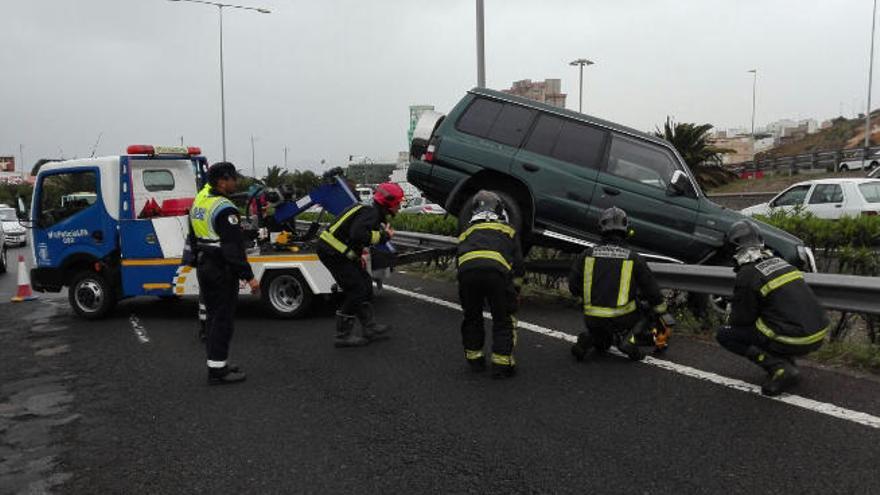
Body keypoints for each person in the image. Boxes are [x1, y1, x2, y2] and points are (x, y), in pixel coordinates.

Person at [716, 220, 829, 396]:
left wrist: (735, 305)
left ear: (733, 247)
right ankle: (786, 360)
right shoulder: (780, 262)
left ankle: (780, 367)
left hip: (795, 338)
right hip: (818, 332)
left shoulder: (747, 274)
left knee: (726, 334)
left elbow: (742, 320)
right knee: (770, 320)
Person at [568, 207, 674, 362]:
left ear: (601, 228)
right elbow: (652, 292)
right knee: (649, 309)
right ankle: (629, 342)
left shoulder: (586, 255)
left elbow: (573, 287)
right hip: (622, 319)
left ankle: (590, 339)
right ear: (626, 229)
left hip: (591, 318)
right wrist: (662, 312)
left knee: (602, 342)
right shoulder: (633, 258)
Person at [189, 162, 259, 385]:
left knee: (212, 319)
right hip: (220, 269)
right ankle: (218, 372)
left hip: (205, 264)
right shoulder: (225, 208)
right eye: (232, 179)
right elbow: (233, 249)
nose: (235, 182)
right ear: (222, 181)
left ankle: (217, 363)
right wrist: (249, 277)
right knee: (222, 321)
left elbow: (192, 236)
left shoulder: (200, 200)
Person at [317, 182, 404, 347]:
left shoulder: (370, 209)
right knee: (356, 290)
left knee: (365, 284)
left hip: (339, 251)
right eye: (398, 203)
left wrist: (356, 256)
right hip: (333, 253)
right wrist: (384, 236)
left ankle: (369, 327)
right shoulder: (371, 212)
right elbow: (358, 234)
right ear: (389, 202)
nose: (399, 207)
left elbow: (353, 235)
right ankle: (342, 336)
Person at [456, 190, 524, 379]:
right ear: (499, 209)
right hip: (496, 275)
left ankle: (475, 360)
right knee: (502, 319)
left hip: (467, 276)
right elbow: (518, 264)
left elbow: (459, 262)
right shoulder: (508, 230)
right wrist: (516, 289)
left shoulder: (466, 233)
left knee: (472, 317)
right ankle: (501, 365)